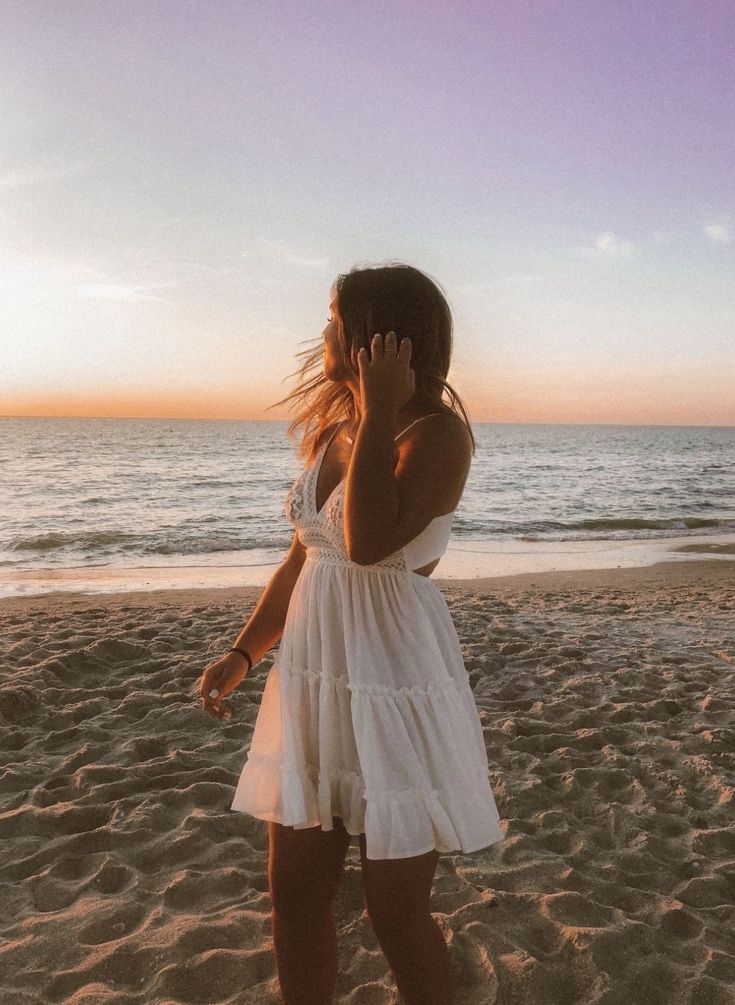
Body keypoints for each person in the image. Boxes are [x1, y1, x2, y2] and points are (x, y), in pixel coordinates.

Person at [196, 262, 504, 1005]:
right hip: (314, 676)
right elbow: (305, 557)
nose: (323, 331)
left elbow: (366, 543)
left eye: (335, 317)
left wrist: (375, 413)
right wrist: (244, 651)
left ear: (380, 336)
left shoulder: (437, 436)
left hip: (394, 683)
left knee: (393, 911)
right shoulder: (335, 431)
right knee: (293, 891)